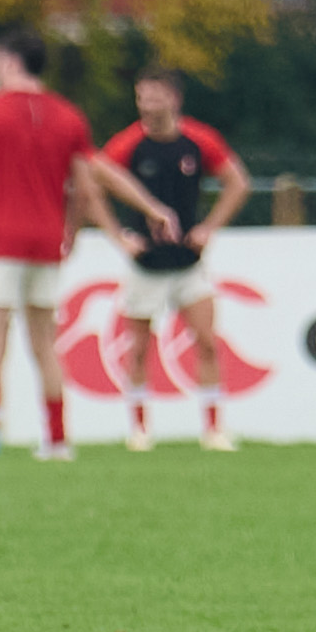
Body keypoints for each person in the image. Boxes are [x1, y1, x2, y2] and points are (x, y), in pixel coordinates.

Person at [0, 29, 176, 460]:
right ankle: (56, 438)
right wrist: (149, 205)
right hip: (47, 243)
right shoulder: (68, 116)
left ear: (8, 61)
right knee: (45, 342)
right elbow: (93, 179)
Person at [98, 68, 251, 452]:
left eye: (154, 97)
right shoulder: (127, 145)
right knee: (137, 348)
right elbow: (92, 186)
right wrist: (119, 237)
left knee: (207, 342)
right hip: (145, 263)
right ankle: (139, 429)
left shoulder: (198, 140)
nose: (147, 105)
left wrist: (209, 227)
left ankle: (214, 429)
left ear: (174, 99)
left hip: (189, 261)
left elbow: (238, 182)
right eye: (141, 97)